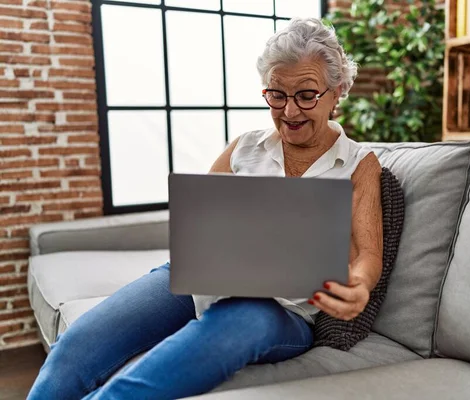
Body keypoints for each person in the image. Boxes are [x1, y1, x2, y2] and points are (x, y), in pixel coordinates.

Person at [28, 17, 383, 400]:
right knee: (80, 345)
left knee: (229, 327)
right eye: (277, 95)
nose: (290, 112)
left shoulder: (359, 164)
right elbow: (197, 220)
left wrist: (359, 285)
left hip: (280, 312)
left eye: (306, 95)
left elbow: (367, 254)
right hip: (199, 283)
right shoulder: (245, 147)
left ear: (337, 92)